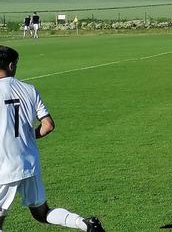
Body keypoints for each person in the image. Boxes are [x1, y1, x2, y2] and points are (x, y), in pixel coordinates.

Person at [0, 46, 105, 232]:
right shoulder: (29, 90)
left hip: (3, 166)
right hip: (29, 163)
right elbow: (48, 125)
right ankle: (85, 224)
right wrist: (24, 137)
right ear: (10, 66)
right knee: (42, 212)